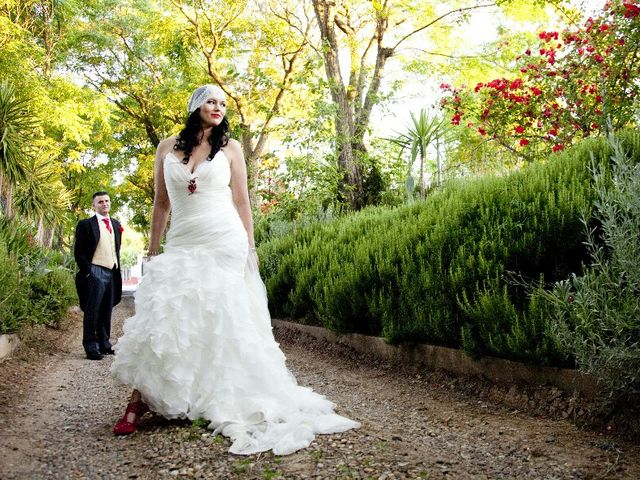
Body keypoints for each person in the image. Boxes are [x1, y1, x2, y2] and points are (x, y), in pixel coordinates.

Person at [110, 85, 359, 455]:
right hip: (182, 239)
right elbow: (161, 204)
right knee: (171, 314)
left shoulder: (231, 148)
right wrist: (151, 248)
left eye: (223, 104)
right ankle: (144, 396)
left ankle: (215, 392)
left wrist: (251, 247)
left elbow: (243, 201)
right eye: (212, 101)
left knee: (219, 314)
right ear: (195, 105)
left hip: (224, 239)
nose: (219, 108)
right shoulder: (166, 148)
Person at [74, 191, 123, 360]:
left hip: (112, 271)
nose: (104, 204)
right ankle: (91, 346)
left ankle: (104, 343)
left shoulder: (116, 224)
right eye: (100, 202)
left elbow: (116, 249)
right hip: (95, 271)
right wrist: (89, 272)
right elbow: (78, 251)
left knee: (106, 310)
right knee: (92, 311)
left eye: (107, 201)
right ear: (94, 205)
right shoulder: (86, 224)